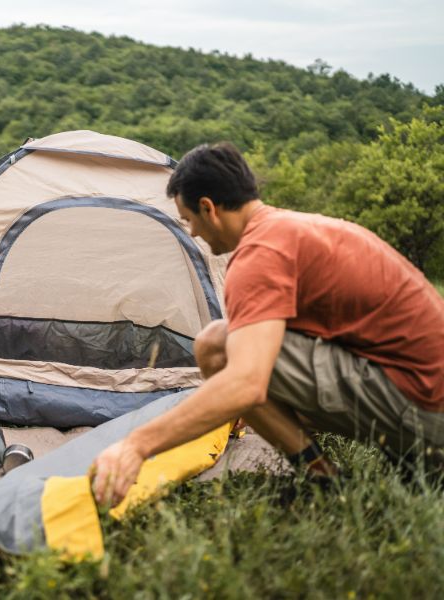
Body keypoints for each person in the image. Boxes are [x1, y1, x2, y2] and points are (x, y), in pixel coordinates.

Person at [91, 142, 444, 507]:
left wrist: (135, 445)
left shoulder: (260, 254)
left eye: (188, 219)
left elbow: (245, 383)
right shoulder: (292, 229)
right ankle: (367, 468)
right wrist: (252, 406)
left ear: (209, 208)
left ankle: (323, 483)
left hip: (424, 409)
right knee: (241, 361)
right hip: (422, 393)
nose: (192, 232)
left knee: (217, 346)